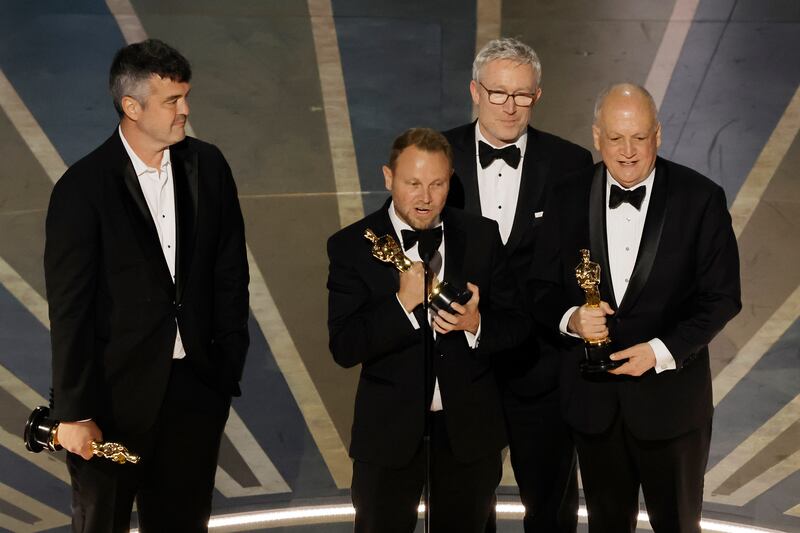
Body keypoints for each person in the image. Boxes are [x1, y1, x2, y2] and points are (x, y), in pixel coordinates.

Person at [44, 39, 249, 532]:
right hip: (111, 405)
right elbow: (70, 309)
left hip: (194, 392)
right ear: (131, 107)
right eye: (172, 101)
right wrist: (73, 412)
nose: (185, 111)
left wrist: (224, 363)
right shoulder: (82, 189)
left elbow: (229, 272)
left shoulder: (209, 167)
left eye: (185, 96)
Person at [531, 83, 741, 532]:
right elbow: (539, 287)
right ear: (596, 136)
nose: (627, 152)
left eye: (639, 138)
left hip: (672, 403)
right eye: (615, 138)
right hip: (593, 403)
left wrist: (660, 351)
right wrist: (571, 319)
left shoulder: (699, 198)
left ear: (658, 135)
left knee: (678, 524)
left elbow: (722, 296)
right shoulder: (566, 195)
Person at [327, 128, 529, 533]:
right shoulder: (351, 246)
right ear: (388, 178)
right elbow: (345, 346)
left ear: (450, 179)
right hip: (388, 435)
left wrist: (476, 325)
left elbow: (518, 326)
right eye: (413, 183)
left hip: (468, 434)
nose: (425, 197)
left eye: (437, 184)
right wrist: (402, 304)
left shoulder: (481, 236)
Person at [444, 37, 593, 532]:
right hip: (465, 367)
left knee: (550, 506)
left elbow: (583, 261)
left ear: (538, 96)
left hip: (544, 366)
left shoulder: (571, 164)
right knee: (465, 508)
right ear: (474, 91)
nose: (510, 107)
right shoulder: (438, 157)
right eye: (498, 93)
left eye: (522, 95)